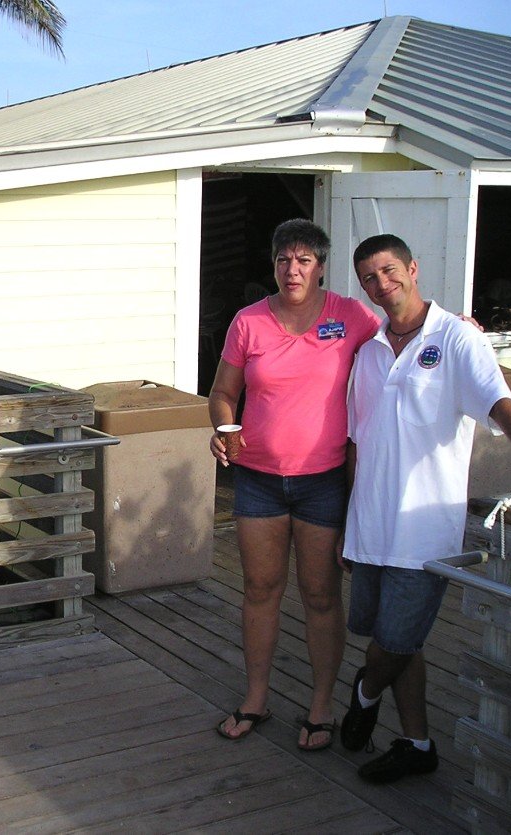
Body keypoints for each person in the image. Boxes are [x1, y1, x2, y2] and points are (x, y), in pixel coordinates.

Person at [340, 234, 511, 783]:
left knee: (394, 641)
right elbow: (356, 442)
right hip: (370, 527)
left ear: (413, 268)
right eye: (369, 278)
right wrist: (349, 523)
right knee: (399, 640)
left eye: (389, 270)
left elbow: (500, 404)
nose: (381, 284)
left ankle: (365, 693)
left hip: (424, 532)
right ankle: (418, 744)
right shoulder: (368, 351)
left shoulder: (458, 338)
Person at [209, 219, 381, 750]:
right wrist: (222, 429)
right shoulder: (248, 321)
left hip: (324, 481)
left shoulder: (350, 316)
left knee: (321, 595)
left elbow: (404, 335)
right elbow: (222, 393)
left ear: (321, 267)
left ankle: (321, 706)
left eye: (304, 260)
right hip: (258, 480)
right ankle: (255, 698)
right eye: (284, 260)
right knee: (260, 589)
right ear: (274, 264)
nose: (293, 270)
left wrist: (454, 327)